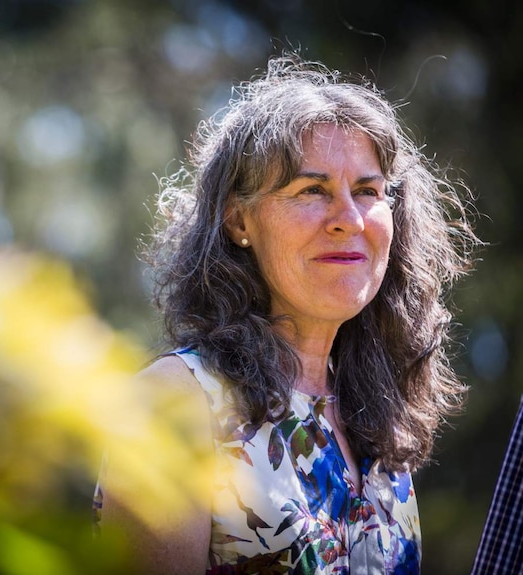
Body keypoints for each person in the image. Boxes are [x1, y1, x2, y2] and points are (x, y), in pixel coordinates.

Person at [93, 54, 479, 574]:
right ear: (237, 221)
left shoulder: (376, 419)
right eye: (312, 190)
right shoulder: (176, 403)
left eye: (367, 191)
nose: (348, 219)